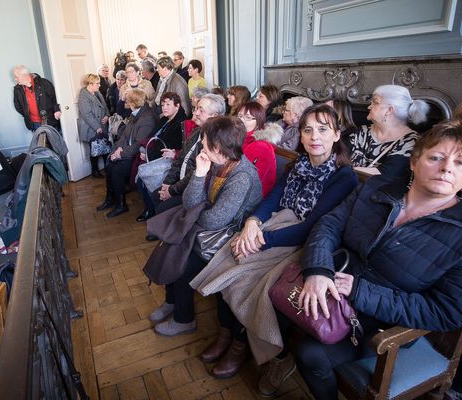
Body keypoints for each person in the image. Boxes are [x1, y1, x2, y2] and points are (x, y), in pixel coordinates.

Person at [277, 119, 462, 400]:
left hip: (383, 316)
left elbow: (446, 311)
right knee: (278, 301)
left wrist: (361, 291)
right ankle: (277, 360)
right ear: (414, 162)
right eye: (436, 157)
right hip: (333, 279)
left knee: (311, 354)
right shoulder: (377, 188)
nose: (447, 168)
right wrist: (317, 269)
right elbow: (328, 225)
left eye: (460, 163)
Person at [190, 104, 357, 380]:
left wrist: (260, 240)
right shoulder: (298, 165)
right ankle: (225, 333)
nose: (315, 137)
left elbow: (311, 227)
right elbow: (273, 199)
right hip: (276, 228)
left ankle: (239, 346)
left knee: (247, 279)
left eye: (323, 130)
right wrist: (252, 223)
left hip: (308, 245)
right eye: (308, 130)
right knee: (230, 254)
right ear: (301, 136)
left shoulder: (344, 176)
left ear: (337, 135)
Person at [151, 116, 263, 336]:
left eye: (204, 141)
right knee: (170, 244)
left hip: (230, 237)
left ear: (218, 146)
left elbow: (215, 220)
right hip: (209, 231)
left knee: (182, 263)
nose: (201, 145)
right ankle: (172, 301)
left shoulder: (242, 176)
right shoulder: (213, 163)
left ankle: (184, 320)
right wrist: (200, 174)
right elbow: (189, 202)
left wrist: (196, 214)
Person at [153, 93, 225, 217]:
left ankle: (169, 230)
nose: (196, 113)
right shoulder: (197, 131)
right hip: (181, 183)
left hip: (195, 189)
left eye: (201, 110)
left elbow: (195, 173)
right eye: (196, 108)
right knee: (156, 195)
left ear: (215, 116)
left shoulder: (215, 141)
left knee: (162, 207)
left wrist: (172, 190)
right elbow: (180, 158)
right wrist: (167, 183)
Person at [96, 89, 158, 217]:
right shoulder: (135, 114)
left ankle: (121, 205)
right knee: (109, 164)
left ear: (133, 103)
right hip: (127, 150)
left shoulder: (147, 118)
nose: (127, 104)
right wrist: (116, 150)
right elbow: (124, 136)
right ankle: (110, 199)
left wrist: (121, 154)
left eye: (128, 102)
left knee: (117, 170)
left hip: (138, 155)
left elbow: (138, 144)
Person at [350, 84, 429, 177]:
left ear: (389, 110)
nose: (369, 107)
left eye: (375, 102)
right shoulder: (362, 131)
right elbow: (339, 157)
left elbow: (385, 175)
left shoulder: (410, 142)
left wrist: (346, 171)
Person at [135, 92, 187, 222]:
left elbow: (169, 147)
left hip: (167, 159)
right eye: (163, 104)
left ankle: (151, 210)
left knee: (141, 177)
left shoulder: (180, 123)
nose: (164, 107)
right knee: (138, 170)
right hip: (154, 154)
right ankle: (150, 207)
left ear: (177, 106)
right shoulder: (164, 119)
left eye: (168, 104)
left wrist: (148, 154)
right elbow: (153, 137)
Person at [237, 101, 278, 197]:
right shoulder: (237, 136)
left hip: (250, 197)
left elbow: (251, 183)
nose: (241, 120)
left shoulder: (261, 146)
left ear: (258, 122)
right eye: (239, 116)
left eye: (247, 118)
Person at [78, 74, 110, 178]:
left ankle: (108, 168)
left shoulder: (97, 92)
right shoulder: (83, 96)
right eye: (97, 83)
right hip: (91, 126)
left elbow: (104, 106)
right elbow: (86, 114)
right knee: (94, 148)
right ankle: (95, 171)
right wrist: (97, 127)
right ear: (90, 84)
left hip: (102, 123)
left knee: (105, 146)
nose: (99, 85)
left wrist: (107, 116)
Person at [12, 65, 61, 131]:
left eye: (16, 77)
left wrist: (57, 110)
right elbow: (17, 106)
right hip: (34, 123)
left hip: (49, 120)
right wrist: (27, 114)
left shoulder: (44, 83)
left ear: (24, 75)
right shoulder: (17, 89)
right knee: (40, 141)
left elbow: (54, 98)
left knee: (54, 140)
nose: (15, 79)